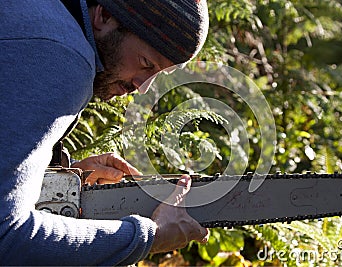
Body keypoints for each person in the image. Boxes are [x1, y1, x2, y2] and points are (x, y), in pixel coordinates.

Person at [0, 0, 209, 265]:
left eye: (158, 74)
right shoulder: (62, 54)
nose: (142, 86)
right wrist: (148, 238)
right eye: (146, 63)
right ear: (105, 15)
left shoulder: (37, 17)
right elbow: (5, 234)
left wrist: (59, 182)